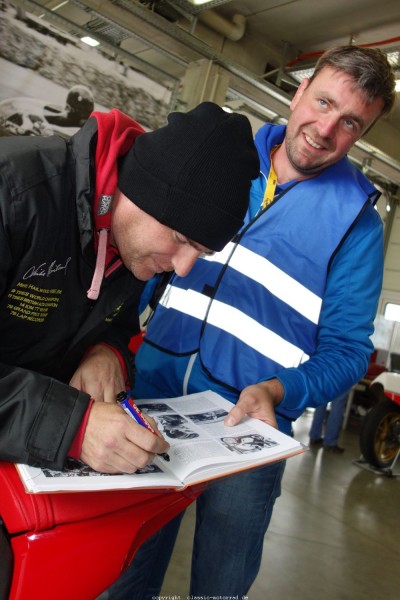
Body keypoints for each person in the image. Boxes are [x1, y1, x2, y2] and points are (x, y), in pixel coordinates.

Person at [101, 45, 396, 599]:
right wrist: (112, 346)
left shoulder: (358, 223)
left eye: (350, 121)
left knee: (221, 583)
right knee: (126, 569)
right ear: (299, 91)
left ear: (363, 132)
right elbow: (145, 257)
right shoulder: (225, 153)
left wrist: (281, 389)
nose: (325, 128)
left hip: (249, 432)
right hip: (153, 401)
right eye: (323, 101)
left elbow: (349, 349)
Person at [0, 101, 259, 473]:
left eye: (200, 254)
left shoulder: (135, 247)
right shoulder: (13, 193)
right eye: (180, 237)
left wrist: (107, 352)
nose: (183, 268)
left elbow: (114, 323)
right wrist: (73, 428)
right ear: (140, 191)